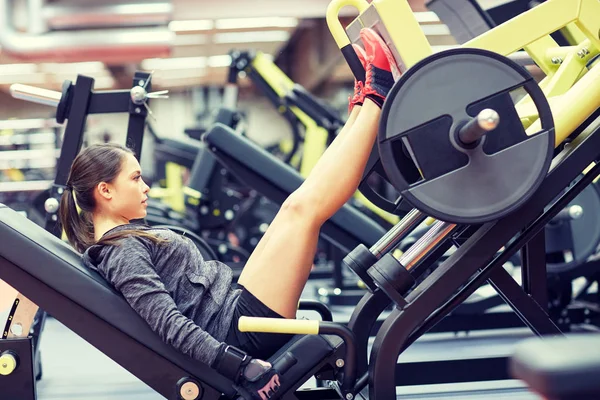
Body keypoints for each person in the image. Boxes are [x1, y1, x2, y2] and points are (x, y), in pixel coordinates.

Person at [59, 28, 399, 400]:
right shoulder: (121, 252)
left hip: (234, 308)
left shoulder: (122, 242)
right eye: (136, 178)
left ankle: (364, 105)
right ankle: (377, 98)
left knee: (295, 205)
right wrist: (237, 364)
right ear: (104, 191)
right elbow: (167, 324)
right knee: (304, 211)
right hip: (239, 332)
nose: (146, 188)